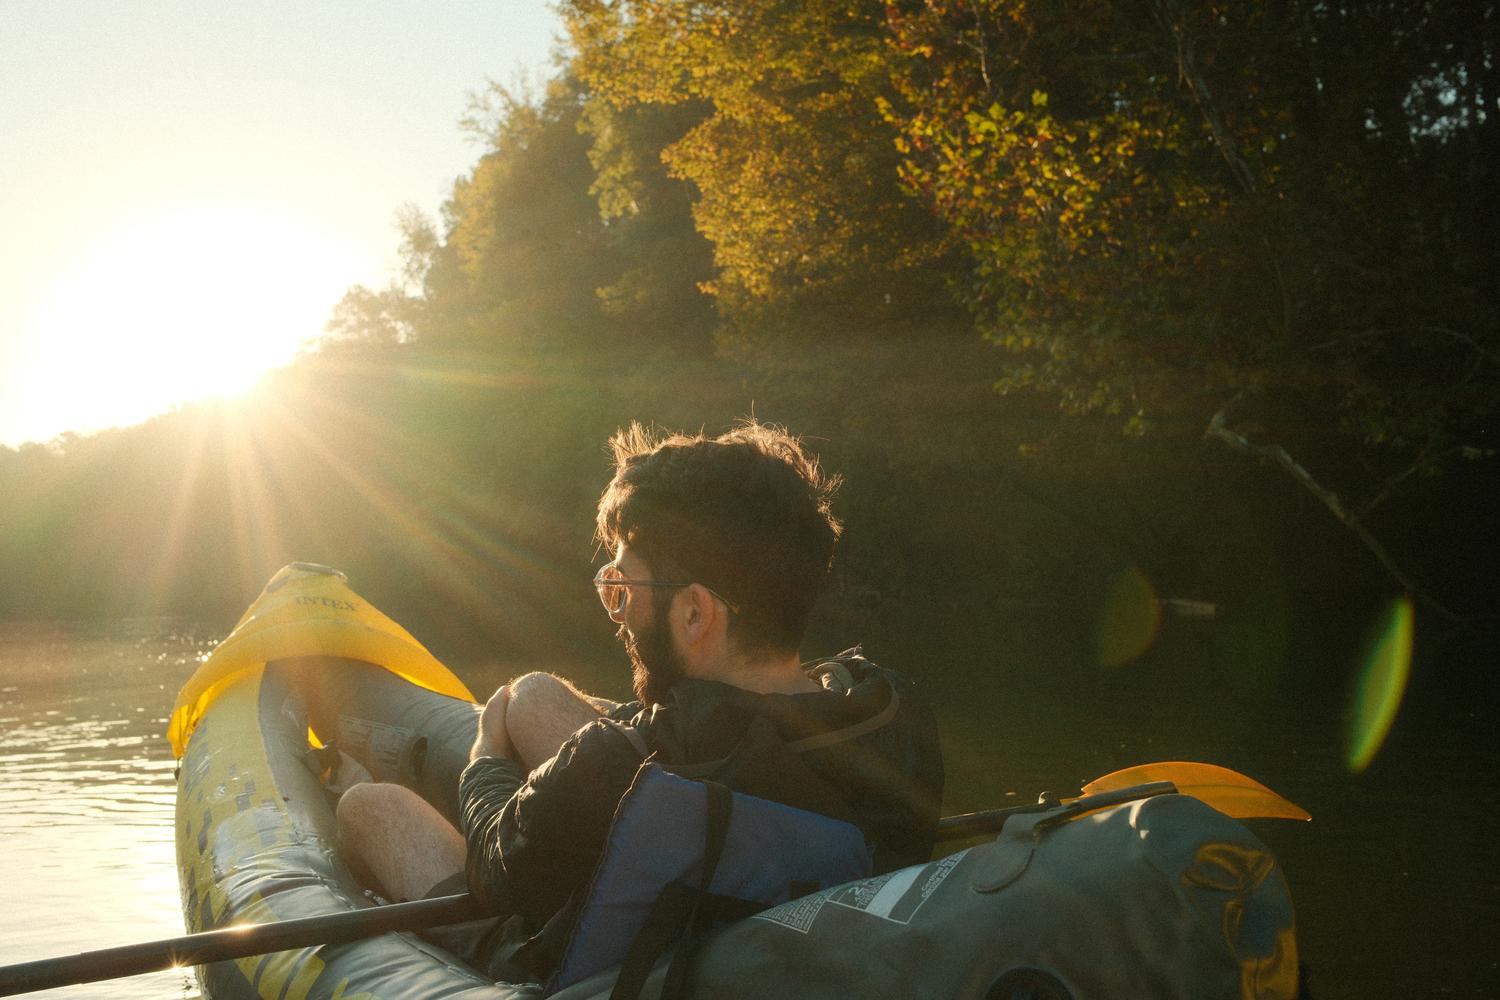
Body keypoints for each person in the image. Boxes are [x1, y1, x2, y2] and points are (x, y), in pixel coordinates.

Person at [335, 421, 945, 982]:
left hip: (579, 961)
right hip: (741, 925)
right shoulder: (890, 714)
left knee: (368, 805)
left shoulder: (619, 763)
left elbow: (498, 874)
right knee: (534, 694)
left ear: (694, 612)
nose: (620, 614)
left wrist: (487, 760)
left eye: (624, 587)